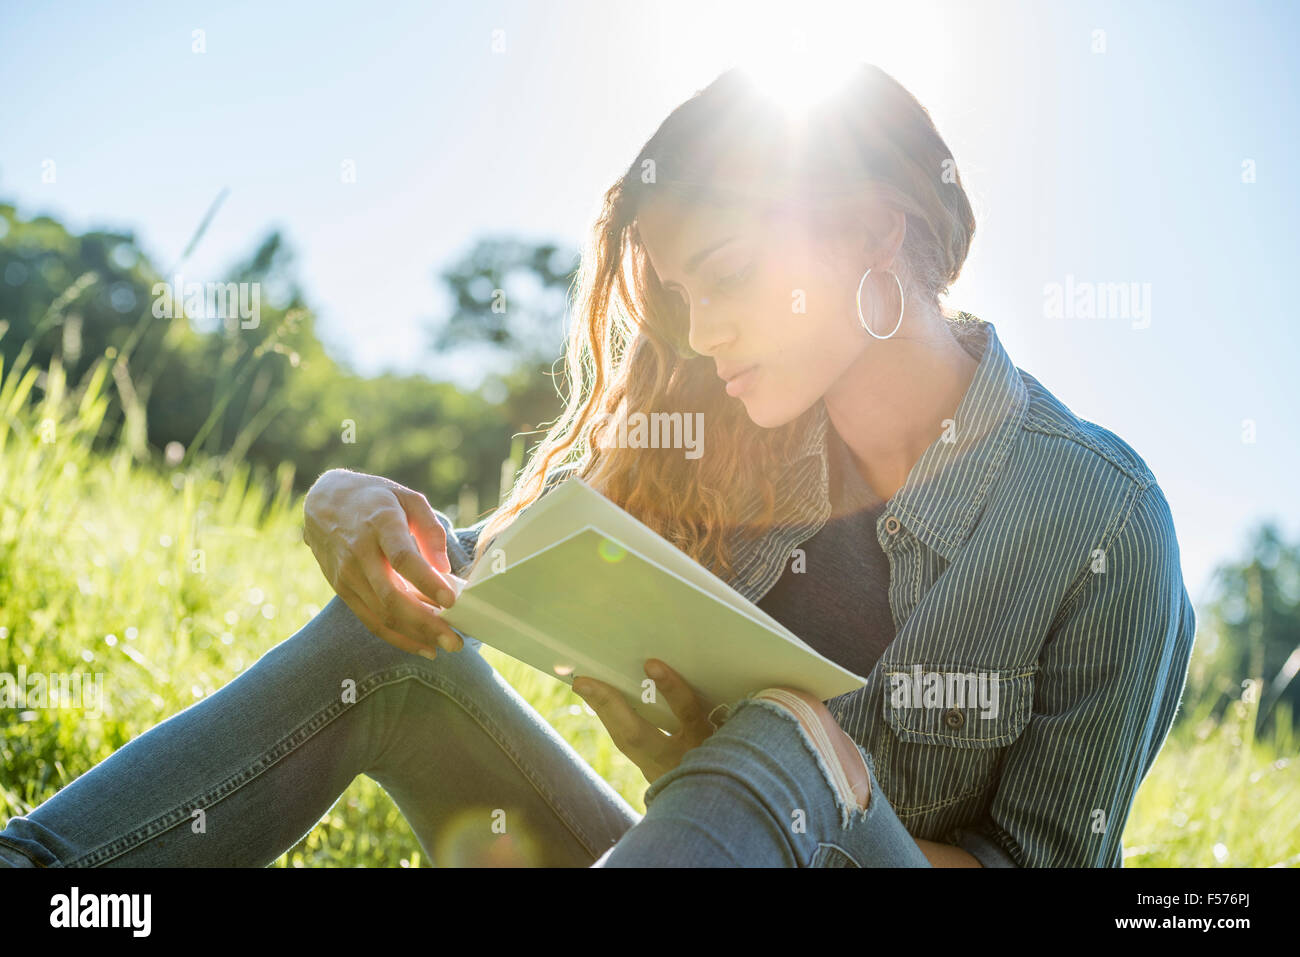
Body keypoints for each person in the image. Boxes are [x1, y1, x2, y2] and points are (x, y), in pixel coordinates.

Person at [0, 64, 1195, 868]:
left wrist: (789, 778)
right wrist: (345, 504)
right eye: (680, 298)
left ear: (875, 231)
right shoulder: (725, 433)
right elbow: (474, 573)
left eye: (724, 276)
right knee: (396, 651)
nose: (703, 330)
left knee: (792, 738)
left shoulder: (1099, 518)